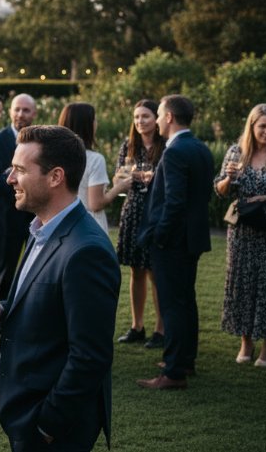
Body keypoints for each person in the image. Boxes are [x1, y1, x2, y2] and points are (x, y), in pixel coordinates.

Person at [0, 125, 120, 451]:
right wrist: (2, 310)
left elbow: (90, 356)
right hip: (24, 407)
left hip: (52, 427)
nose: (9, 178)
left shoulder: (87, 251)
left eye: (20, 170)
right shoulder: (42, 228)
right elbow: (43, 302)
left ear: (55, 177)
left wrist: (46, 425)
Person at [136, 94, 214, 389]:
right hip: (191, 239)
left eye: (158, 114)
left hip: (173, 242)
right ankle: (185, 360)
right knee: (185, 301)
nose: (155, 120)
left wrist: (160, 236)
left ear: (169, 117)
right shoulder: (200, 148)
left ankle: (173, 372)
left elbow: (175, 202)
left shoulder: (175, 152)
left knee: (172, 304)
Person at [214, 103, 266, 366]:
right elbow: (220, 191)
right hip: (242, 232)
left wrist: (265, 198)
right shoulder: (237, 153)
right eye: (263, 126)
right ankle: (246, 343)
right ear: (252, 126)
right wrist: (228, 177)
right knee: (243, 285)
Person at [114, 100, 166, 348]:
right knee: (135, 270)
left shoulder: (164, 145)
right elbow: (118, 175)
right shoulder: (129, 145)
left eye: (145, 116)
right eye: (136, 117)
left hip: (155, 211)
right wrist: (127, 175)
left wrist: (152, 176)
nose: (140, 121)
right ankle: (137, 326)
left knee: (156, 271)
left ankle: (161, 329)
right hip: (133, 210)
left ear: (157, 118)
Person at [0, 93, 37, 299]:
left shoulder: (39, 142)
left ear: (34, 114)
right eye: (17, 109)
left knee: (35, 267)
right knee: (4, 270)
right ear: (9, 112)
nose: (20, 114)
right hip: (7, 217)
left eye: (26, 110)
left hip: (35, 215)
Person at [58, 102, 128, 232]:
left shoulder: (55, 156)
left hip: (63, 223)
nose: (97, 123)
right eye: (94, 120)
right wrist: (119, 188)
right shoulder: (95, 159)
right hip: (89, 226)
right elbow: (95, 204)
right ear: (87, 125)